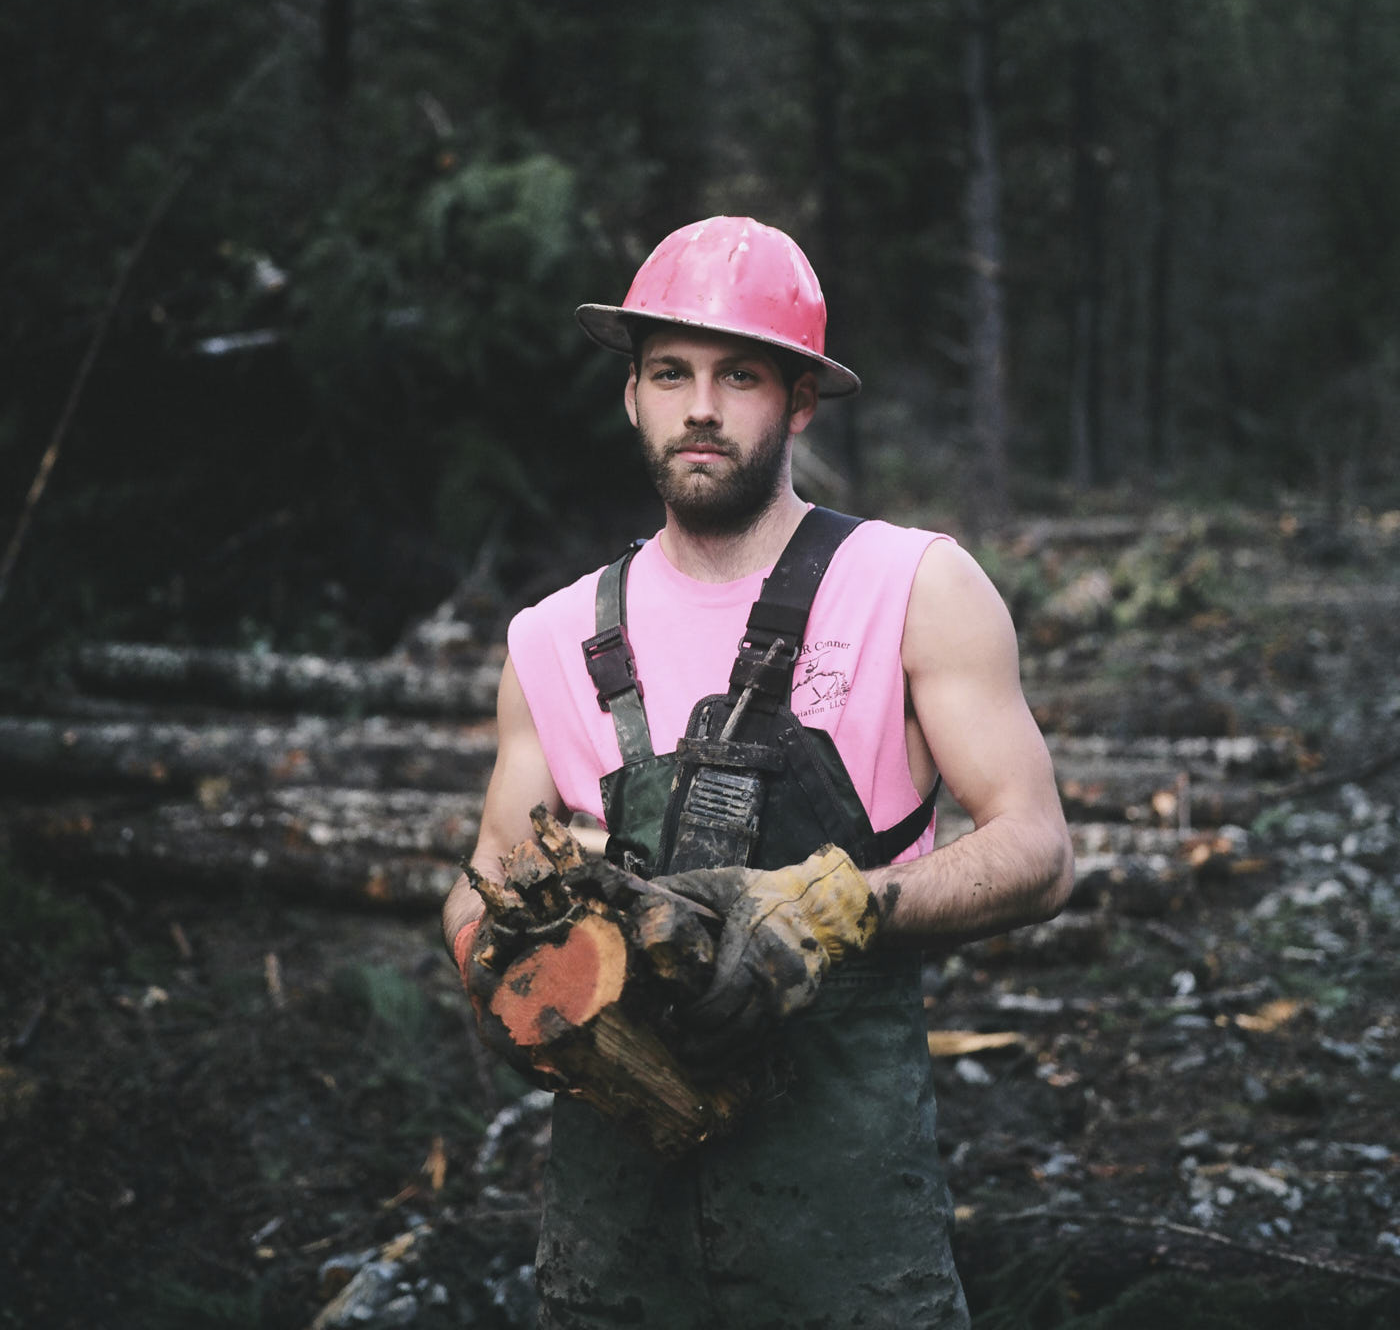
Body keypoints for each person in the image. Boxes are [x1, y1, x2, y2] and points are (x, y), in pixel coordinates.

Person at [442, 215, 1074, 1329]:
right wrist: (512, 972)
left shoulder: (910, 585)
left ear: (798, 402)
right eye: (668, 372)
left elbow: (1035, 842)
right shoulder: (549, 638)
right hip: (612, 1243)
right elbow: (484, 875)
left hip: (843, 1238)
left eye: (738, 375)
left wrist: (841, 907)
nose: (699, 405)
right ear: (628, 394)